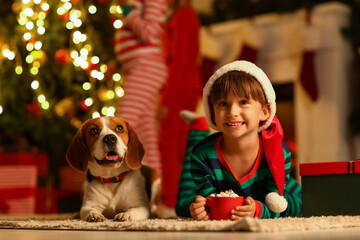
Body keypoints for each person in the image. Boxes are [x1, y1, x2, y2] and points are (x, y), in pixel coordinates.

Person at [176, 60, 302, 219]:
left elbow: (274, 202)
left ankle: (198, 128)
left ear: (264, 112)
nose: (232, 112)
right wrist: (202, 210)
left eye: (243, 102)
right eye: (223, 103)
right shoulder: (202, 155)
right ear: (213, 113)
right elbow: (210, 204)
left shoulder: (279, 153)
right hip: (215, 174)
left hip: (267, 183)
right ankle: (198, 130)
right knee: (184, 206)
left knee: (298, 204)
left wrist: (259, 210)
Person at [158, 0, 202, 209]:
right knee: (176, 146)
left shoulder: (184, 16)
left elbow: (181, 61)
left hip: (180, 88)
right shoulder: (183, 15)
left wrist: (167, 98)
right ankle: (175, 201)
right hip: (182, 86)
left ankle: (171, 202)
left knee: (170, 145)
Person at [114, 0, 167, 174]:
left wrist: (128, 12)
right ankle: (152, 192)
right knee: (146, 135)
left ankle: (114, 181)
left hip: (147, 67)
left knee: (122, 122)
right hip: (140, 67)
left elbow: (149, 34)